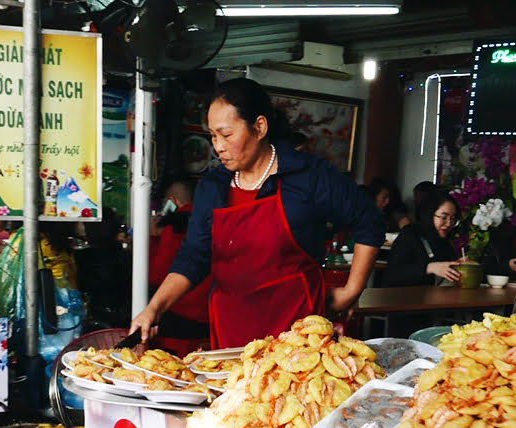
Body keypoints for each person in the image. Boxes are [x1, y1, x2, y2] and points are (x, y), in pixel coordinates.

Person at [130, 78, 383, 348]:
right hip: (232, 326)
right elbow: (194, 256)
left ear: (259, 127)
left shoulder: (307, 175)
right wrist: (154, 308)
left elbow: (369, 219)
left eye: (226, 135)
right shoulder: (213, 186)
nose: (218, 146)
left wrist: (352, 291)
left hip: (297, 330)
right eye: (213, 136)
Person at [148, 178, 209, 352]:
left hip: (180, 313)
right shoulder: (209, 219)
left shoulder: (173, 224)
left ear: (172, 201)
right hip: (209, 314)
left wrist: (153, 238)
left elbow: (156, 275)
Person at [383, 191, 461, 286]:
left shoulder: (444, 241)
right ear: (430, 214)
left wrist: (459, 265)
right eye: (443, 217)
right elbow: (393, 274)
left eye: (452, 219)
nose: (449, 224)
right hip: (404, 297)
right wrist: (428, 268)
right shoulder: (411, 234)